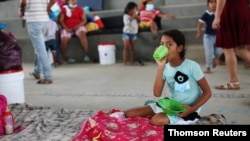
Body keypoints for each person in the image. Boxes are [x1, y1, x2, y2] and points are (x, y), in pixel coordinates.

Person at [124, 29, 212, 126]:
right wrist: (160, 67)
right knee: (129, 113)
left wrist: (192, 109)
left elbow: (207, 92)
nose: (164, 48)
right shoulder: (165, 68)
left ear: (179, 48)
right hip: (170, 106)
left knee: (156, 120)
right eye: (162, 44)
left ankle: (174, 118)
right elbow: (157, 93)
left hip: (187, 108)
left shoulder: (192, 66)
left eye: (169, 45)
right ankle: (163, 114)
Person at [212, 0, 250, 89]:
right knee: (240, 49)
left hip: (230, 10)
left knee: (228, 48)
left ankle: (234, 82)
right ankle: (234, 81)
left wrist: (217, 16)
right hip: (243, 9)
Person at [19, 0, 55, 84]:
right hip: (44, 20)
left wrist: (22, 10)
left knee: (40, 49)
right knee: (38, 46)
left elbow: (24, 2)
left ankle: (48, 76)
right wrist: (47, 8)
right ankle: (37, 71)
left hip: (34, 20)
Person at [195, 0, 223, 73]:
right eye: (211, 2)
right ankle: (208, 67)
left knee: (219, 52)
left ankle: (214, 59)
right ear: (208, 4)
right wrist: (199, 32)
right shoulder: (206, 14)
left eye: (215, 2)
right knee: (209, 52)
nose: (214, 4)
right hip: (208, 36)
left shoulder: (220, 13)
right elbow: (200, 24)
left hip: (219, 36)